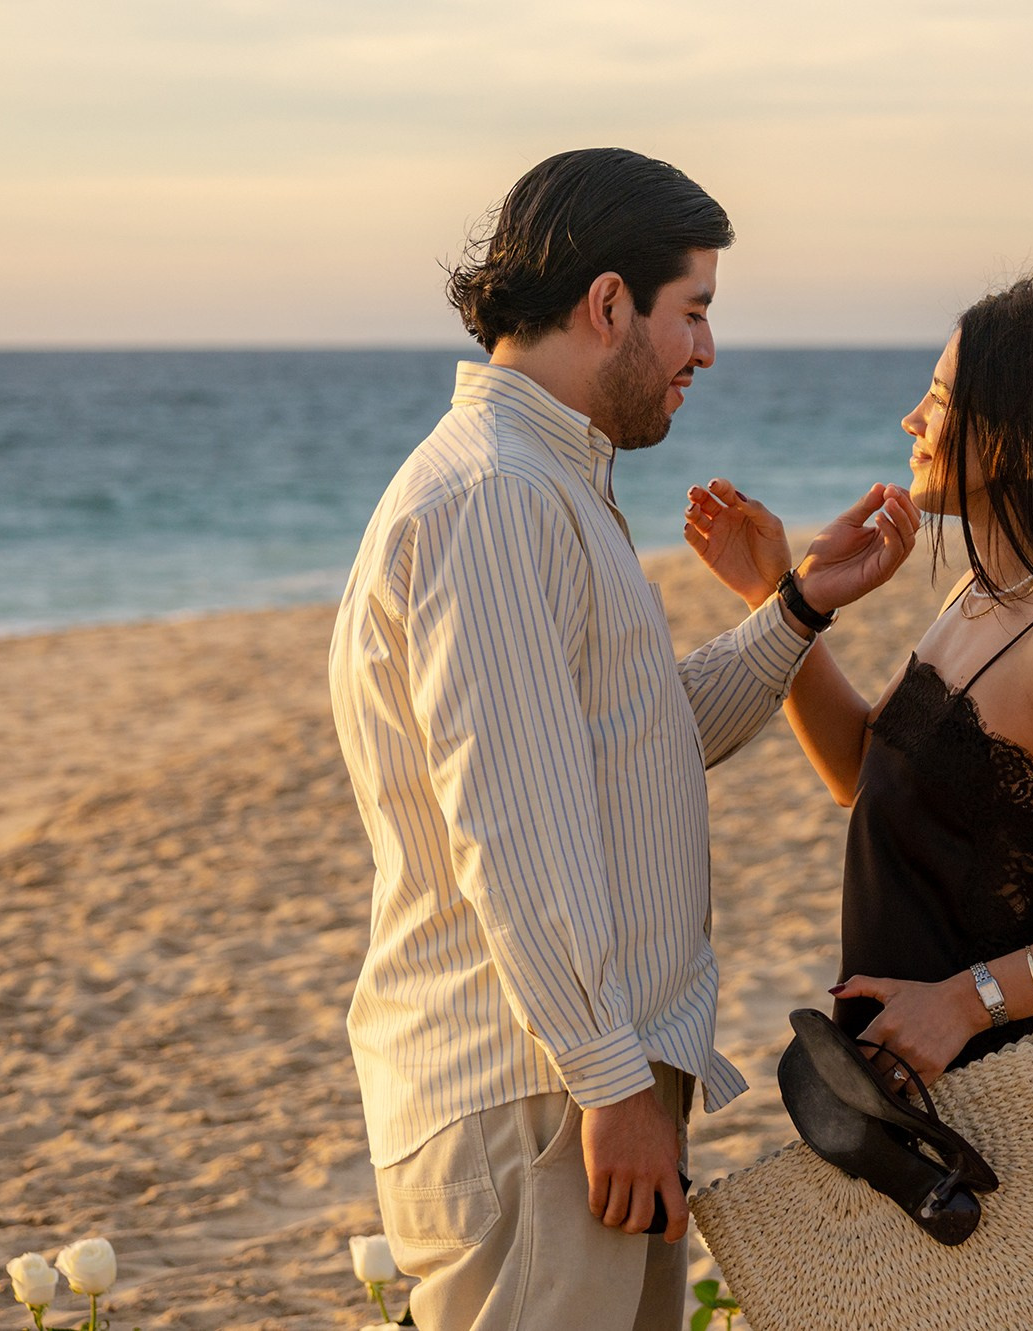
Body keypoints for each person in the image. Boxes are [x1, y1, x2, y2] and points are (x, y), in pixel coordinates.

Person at [326, 148, 916, 1331]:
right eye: (692, 310)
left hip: (578, 1081)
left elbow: (628, 743)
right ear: (609, 303)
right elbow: (517, 826)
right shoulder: (494, 497)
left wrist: (795, 608)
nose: (705, 348)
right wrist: (609, 1080)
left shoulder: (545, 479)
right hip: (540, 1093)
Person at [685, 276, 1033, 1329]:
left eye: (937, 397)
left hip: (1004, 1121)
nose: (911, 418)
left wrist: (967, 997)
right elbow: (864, 770)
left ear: (1019, 441)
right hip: (913, 1114)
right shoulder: (978, 599)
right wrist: (782, 601)